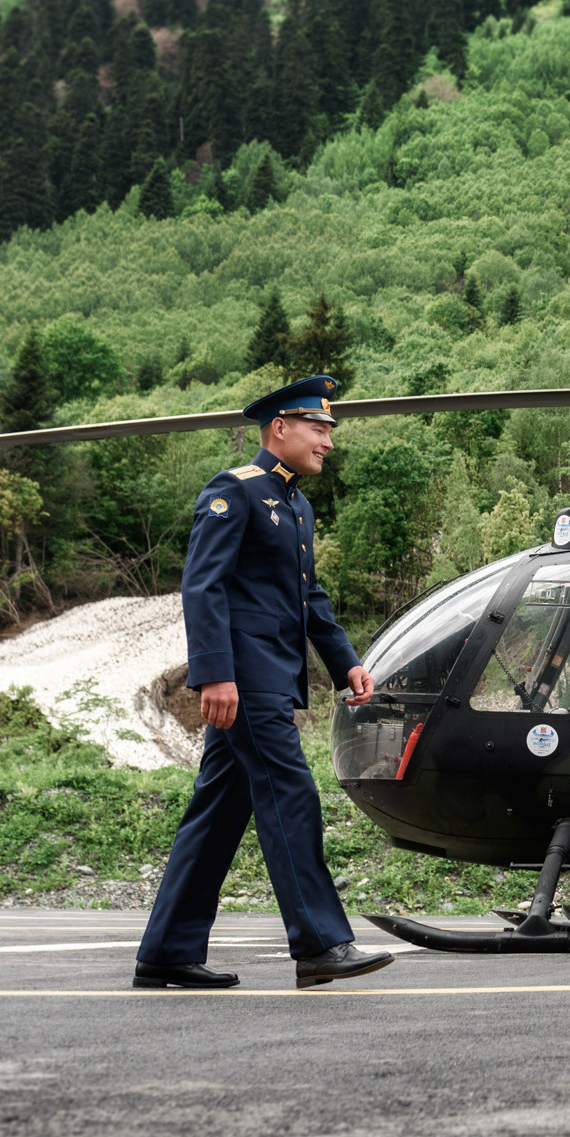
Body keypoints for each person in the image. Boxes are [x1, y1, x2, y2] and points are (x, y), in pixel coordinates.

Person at [132, 376, 397, 992]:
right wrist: (214, 676)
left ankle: (167, 950)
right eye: (319, 428)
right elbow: (203, 586)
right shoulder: (236, 491)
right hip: (245, 679)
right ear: (280, 427)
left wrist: (345, 662)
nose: (328, 441)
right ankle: (321, 944)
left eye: (330, 430)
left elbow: (308, 597)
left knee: (217, 813)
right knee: (291, 794)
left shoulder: (294, 505)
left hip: (272, 676)